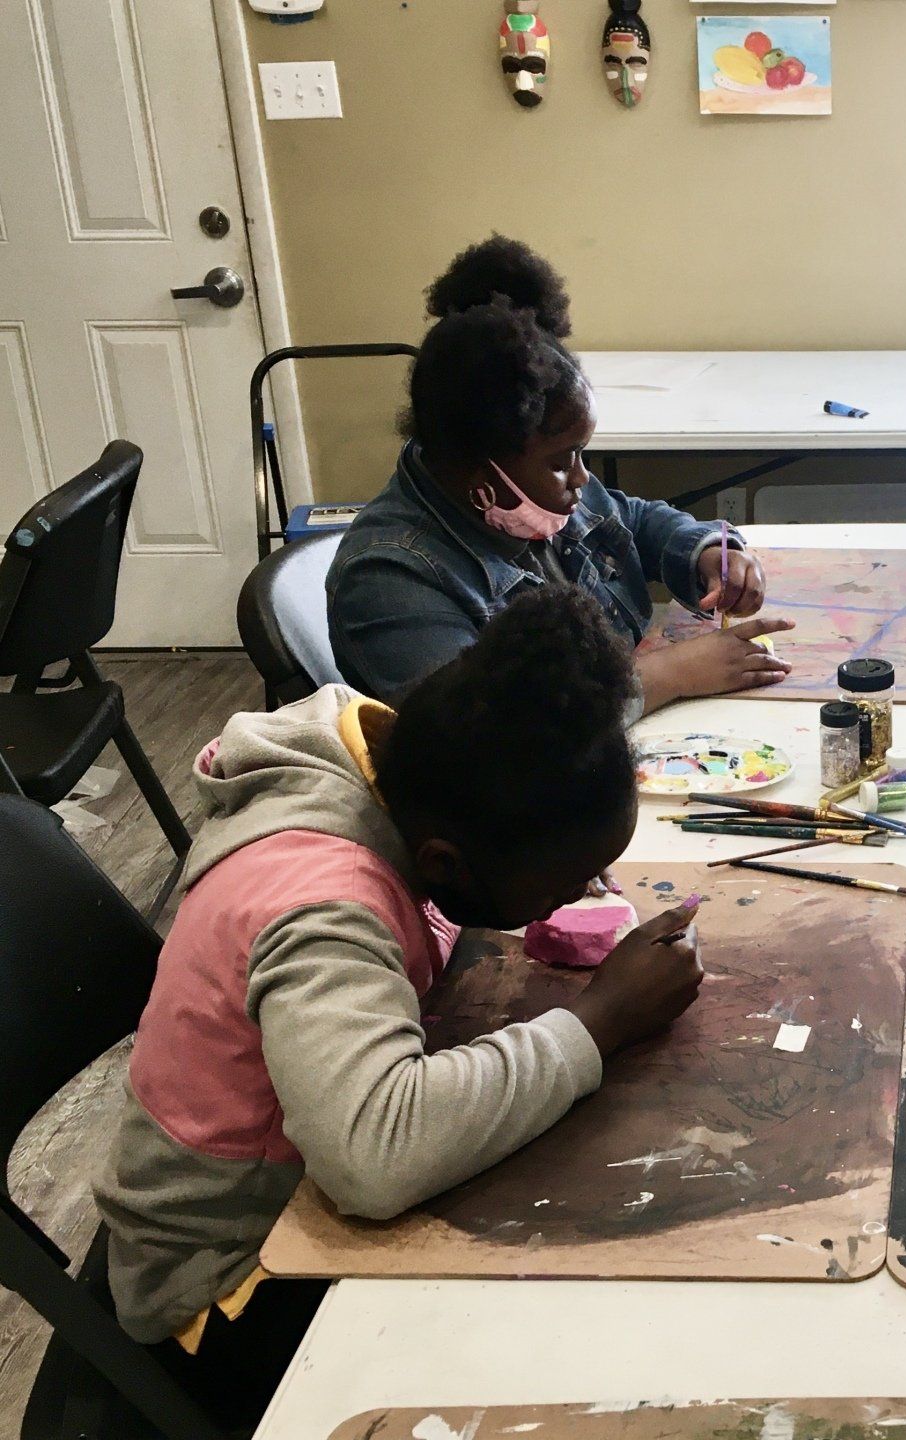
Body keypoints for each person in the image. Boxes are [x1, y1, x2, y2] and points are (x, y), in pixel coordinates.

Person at [94, 588, 706, 1427]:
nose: (589, 891)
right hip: (223, 1280)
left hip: (297, 1184)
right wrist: (598, 1021)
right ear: (444, 862)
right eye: (569, 879)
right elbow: (371, 1157)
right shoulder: (322, 908)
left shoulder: (388, 756)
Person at [328, 237, 792, 702]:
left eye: (580, 453)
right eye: (561, 461)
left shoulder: (534, 491)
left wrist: (708, 553)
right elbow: (489, 733)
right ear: (481, 480)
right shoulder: (388, 581)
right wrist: (669, 675)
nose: (581, 478)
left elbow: (632, 519)